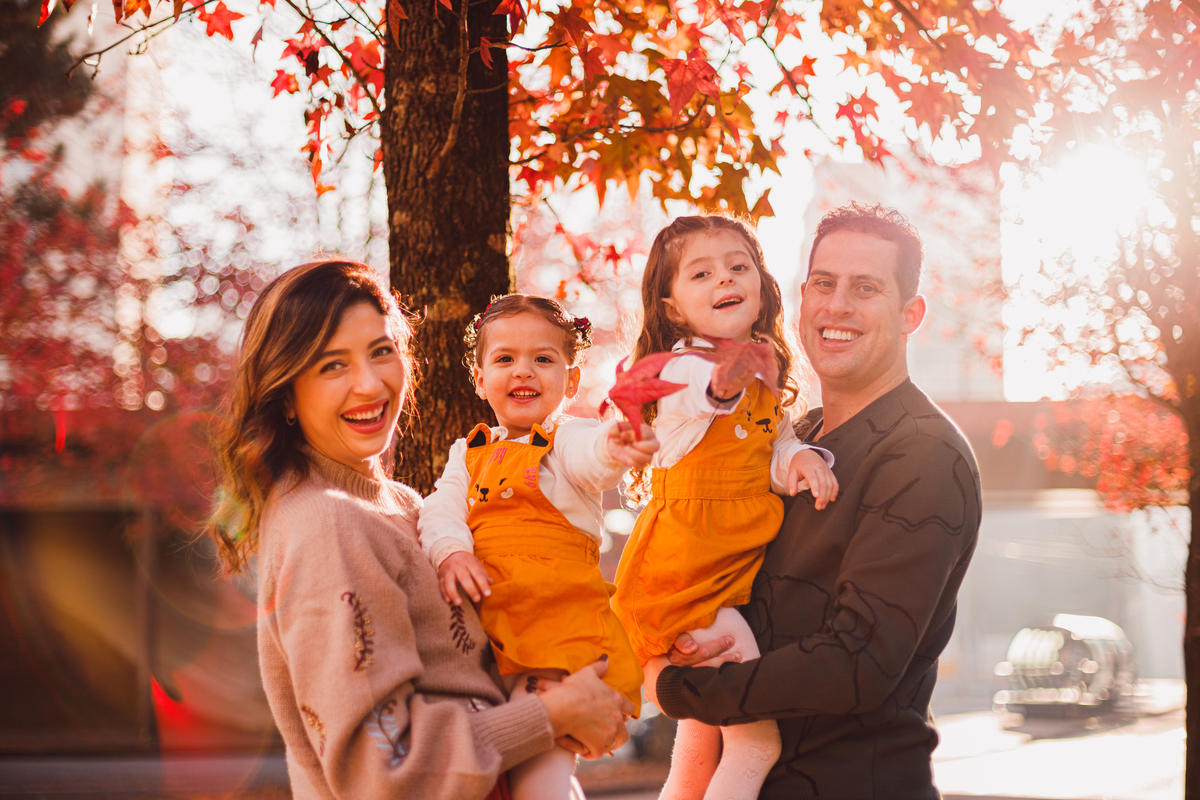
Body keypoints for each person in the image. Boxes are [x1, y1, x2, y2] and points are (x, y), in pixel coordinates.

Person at [204, 261, 632, 800]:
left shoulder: (406, 505)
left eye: (381, 351)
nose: (369, 382)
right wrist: (550, 714)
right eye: (332, 365)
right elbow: (384, 773)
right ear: (287, 393)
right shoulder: (327, 523)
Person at [642, 203, 983, 800]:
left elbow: (857, 661)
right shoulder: (788, 438)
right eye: (824, 284)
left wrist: (676, 689)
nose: (837, 306)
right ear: (800, 298)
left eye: (866, 288)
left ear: (911, 315)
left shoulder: (923, 456)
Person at [611, 215, 839, 800]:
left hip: (717, 576)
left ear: (760, 284)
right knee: (757, 742)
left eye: (739, 267)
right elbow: (708, 394)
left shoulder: (763, 375)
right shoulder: (679, 370)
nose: (725, 279)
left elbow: (769, 447)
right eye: (702, 273)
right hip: (688, 581)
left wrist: (800, 459)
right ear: (672, 309)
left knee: (700, 735)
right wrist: (731, 375)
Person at [418, 293, 653, 800]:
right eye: (505, 359)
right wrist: (452, 552)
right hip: (491, 638)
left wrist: (615, 447)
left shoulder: (567, 438)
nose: (524, 371)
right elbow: (440, 509)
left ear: (570, 381)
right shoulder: (469, 452)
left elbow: (594, 458)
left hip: (552, 637)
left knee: (536, 779)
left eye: (543, 359)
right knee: (510, 774)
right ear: (480, 378)